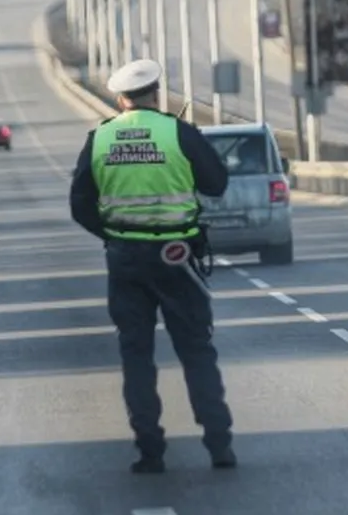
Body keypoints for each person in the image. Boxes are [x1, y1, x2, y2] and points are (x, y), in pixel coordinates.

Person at [69, 58, 237, 474]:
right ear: (156, 93)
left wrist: (112, 234)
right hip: (178, 258)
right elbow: (217, 183)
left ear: (119, 97)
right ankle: (219, 446)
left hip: (126, 260)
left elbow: (79, 205)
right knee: (197, 351)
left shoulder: (100, 139)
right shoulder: (178, 133)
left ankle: (150, 450)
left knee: (136, 356)